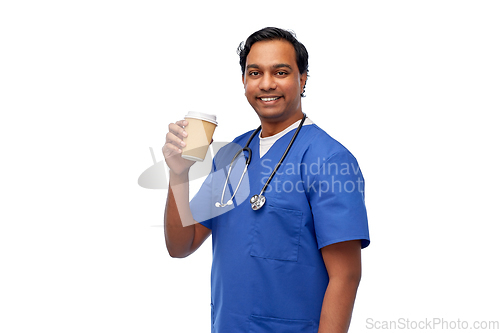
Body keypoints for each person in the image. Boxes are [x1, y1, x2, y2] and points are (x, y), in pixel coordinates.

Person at [163, 27, 370, 333]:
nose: (267, 83)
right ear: (244, 81)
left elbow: (346, 276)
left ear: (303, 80)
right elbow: (181, 245)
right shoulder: (233, 155)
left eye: (281, 71)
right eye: (255, 72)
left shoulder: (330, 161)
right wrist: (178, 173)